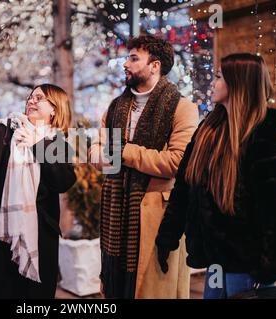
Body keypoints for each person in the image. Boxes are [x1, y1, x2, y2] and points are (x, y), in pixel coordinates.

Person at [156, 53, 276, 299]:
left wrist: (271, 265)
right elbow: (184, 188)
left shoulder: (259, 134)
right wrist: (168, 236)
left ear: (238, 83)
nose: (213, 82)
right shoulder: (208, 130)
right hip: (216, 260)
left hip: (248, 265)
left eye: (219, 76)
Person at [89, 34, 199, 298]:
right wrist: (103, 156)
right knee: (117, 288)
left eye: (134, 58)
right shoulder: (115, 107)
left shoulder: (181, 108)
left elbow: (175, 162)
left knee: (152, 290)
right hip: (117, 210)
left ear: (155, 65)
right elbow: (96, 152)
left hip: (158, 217)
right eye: (127, 57)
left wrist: (122, 151)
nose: (125, 64)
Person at [0, 84, 76, 299]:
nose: (31, 100)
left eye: (39, 98)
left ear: (55, 109)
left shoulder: (57, 143)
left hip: (39, 239)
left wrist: (38, 144)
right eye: (31, 96)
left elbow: (63, 182)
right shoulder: (5, 131)